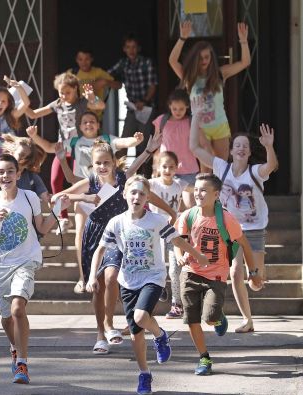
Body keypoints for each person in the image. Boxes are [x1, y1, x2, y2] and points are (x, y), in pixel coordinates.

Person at [52, 133, 173, 355]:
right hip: (94, 233)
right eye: (98, 163)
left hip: (118, 234)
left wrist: (149, 149)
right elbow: (58, 196)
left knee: (111, 276)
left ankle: (109, 324)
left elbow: (139, 165)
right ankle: (101, 334)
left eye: (106, 162)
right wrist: (84, 198)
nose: (102, 166)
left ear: (114, 162)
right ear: (92, 164)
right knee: (97, 286)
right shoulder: (90, 182)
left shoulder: (123, 178)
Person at [86, 175, 207, 395]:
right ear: (125, 195)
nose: (137, 197)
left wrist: (197, 255)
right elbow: (100, 250)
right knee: (136, 333)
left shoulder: (156, 221)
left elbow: (177, 241)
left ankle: (160, 335)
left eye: (142, 193)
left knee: (141, 317)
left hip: (153, 277)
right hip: (128, 280)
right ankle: (144, 374)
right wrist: (92, 276)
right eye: (133, 192)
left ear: (147, 198)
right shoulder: (117, 222)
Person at [0, 154, 71, 385]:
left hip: (26, 260)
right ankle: (14, 347)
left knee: (18, 309)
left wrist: (59, 210)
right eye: (1, 172)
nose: (6, 176)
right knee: (5, 319)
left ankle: (22, 362)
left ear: (18, 174)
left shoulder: (29, 197)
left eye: (10, 171)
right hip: (0, 265)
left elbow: (41, 227)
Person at [189, 108, 278, 333]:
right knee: (235, 271)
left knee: (256, 282)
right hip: (231, 230)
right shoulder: (221, 167)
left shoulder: (255, 172)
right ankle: (247, 320)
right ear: (231, 150)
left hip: (255, 230)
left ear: (249, 152)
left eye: (245, 146)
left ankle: (256, 276)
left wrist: (269, 146)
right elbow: (195, 148)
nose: (240, 148)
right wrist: (196, 120)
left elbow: (272, 166)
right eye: (237, 145)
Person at [39, 110, 143, 293]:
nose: (89, 124)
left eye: (92, 121)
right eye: (85, 121)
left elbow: (125, 144)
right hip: (87, 194)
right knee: (80, 234)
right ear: (79, 126)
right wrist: (61, 159)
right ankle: (83, 276)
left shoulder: (107, 140)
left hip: (108, 197)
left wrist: (135, 141)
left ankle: (121, 276)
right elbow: (69, 179)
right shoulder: (75, 142)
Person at [175, 172, 263, 376]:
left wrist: (253, 271)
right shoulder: (188, 216)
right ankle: (204, 357)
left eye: (204, 190)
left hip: (216, 276)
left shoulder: (226, 219)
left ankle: (218, 318)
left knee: (209, 317)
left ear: (216, 194)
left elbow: (245, 245)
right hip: (190, 273)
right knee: (192, 319)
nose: (198, 193)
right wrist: (180, 256)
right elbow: (179, 241)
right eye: (196, 189)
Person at [25, 72, 105, 231]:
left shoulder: (82, 103)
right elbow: (33, 113)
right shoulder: (58, 104)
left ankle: (87, 209)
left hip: (80, 147)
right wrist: (21, 98)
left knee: (79, 180)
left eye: (67, 92)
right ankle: (63, 218)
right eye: (61, 92)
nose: (64, 95)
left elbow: (100, 106)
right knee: (55, 180)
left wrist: (92, 97)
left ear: (76, 89)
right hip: (63, 146)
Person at [168, 20, 251, 161]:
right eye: (200, 58)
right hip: (200, 128)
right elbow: (172, 61)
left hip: (220, 126)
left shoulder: (220, 73)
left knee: (221, 167)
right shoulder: (189, 77)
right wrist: (182, 38)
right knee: (205, 172)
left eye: (207, 57)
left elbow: (245, 62)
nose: (204, 60)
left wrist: (243, 41)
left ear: (211, 57)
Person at [148, 151, 191, 318]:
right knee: (157, 266)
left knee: (175, 268)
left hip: (173, 231)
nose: (167, 170)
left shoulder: (179, 184)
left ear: (177, 167)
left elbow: (197, 188)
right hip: (155, 231)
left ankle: (177, 303)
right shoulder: (153, 184)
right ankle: (161, 288)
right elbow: (135, 184)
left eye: (171, 167)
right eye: (164, 166)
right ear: (158, 167)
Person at [108, 33, 158, 176]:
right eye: (128, 47)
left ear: (139, 48)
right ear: (124, 49)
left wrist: (145, 100)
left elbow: (153, 85)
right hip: (132, 109)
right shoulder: (123, 63)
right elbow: (108, 75)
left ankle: (144, 175)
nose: (131, 50)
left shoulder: (146, 62)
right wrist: (106, 82)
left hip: (146, 108)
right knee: (124, 139)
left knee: (143, 143)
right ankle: (117, 173)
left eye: (134, 47)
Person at [0, 125, 49, 202]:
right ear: (12, 153)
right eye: (21, 155)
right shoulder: (0, 173)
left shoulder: (32, 178)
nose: (23, 160)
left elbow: (46, 201)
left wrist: (49, 206)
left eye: (28, 158)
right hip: (0, 213)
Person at [153, 89, 202, 205]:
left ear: (187, 106)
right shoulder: (162, 121)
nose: (178, 112)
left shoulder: (192, 122)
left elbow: (200, 146)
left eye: (181, 109)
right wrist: (155, 168)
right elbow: (157, 145)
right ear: (169, 106)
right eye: (174, 109)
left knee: (190, 205)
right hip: (166, 169)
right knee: (168, 205)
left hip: (188, 170)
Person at [69, 48, 122, 119]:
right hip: (76, 115)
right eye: (80, 59)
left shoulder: (98, 72)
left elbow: (119, 85)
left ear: (91, 59)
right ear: (76, 60)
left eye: (87, 59)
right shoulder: (72, 73)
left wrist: (105, 82)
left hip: (95, 116)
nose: (84, 62)